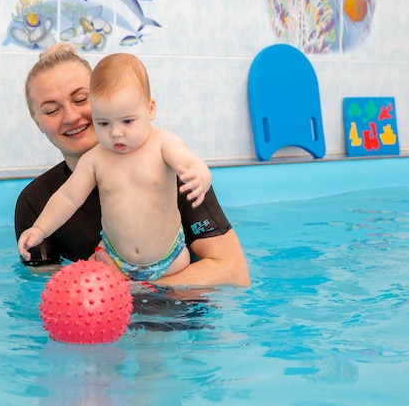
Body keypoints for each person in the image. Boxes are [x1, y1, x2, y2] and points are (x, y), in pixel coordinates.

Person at [14, 42, 250, 287]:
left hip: (175, 304)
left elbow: (235, 273)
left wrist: (130, 287)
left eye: (81, 99)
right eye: (52, 110)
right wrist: (90, 280)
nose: (71, 117)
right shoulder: (35, 203)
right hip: (102, 309)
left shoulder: (172, 168)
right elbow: (43, 293)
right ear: (37, 122)